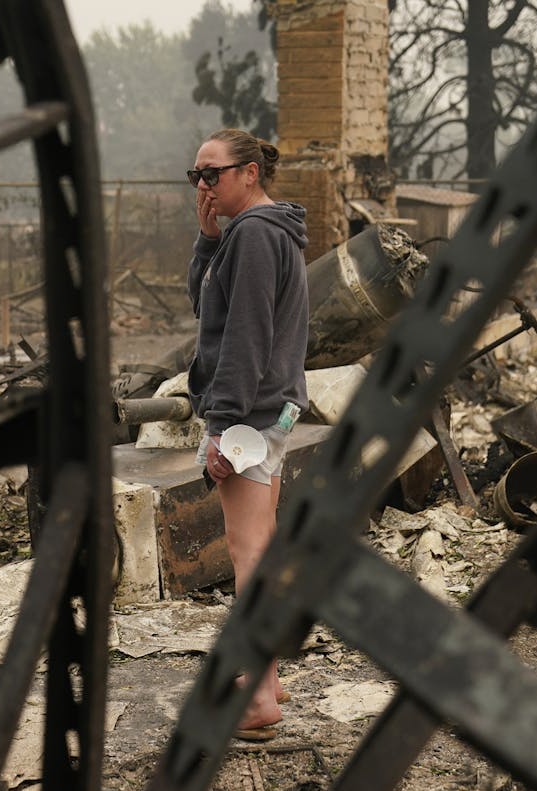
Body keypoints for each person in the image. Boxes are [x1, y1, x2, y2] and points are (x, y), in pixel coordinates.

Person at [186, 128, 309, 741]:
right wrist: (208, 243)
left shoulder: (257, 237)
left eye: (214, 174)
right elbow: (206, 309)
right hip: (273, 413)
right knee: (262, 545)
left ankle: (259, 699)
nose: (203, 187)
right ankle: (268, 675)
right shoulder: (256, 234)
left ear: (251, 172)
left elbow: (245, 339)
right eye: (196, 176)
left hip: (251, 418)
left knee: (248, 554)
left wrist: (224, 430)